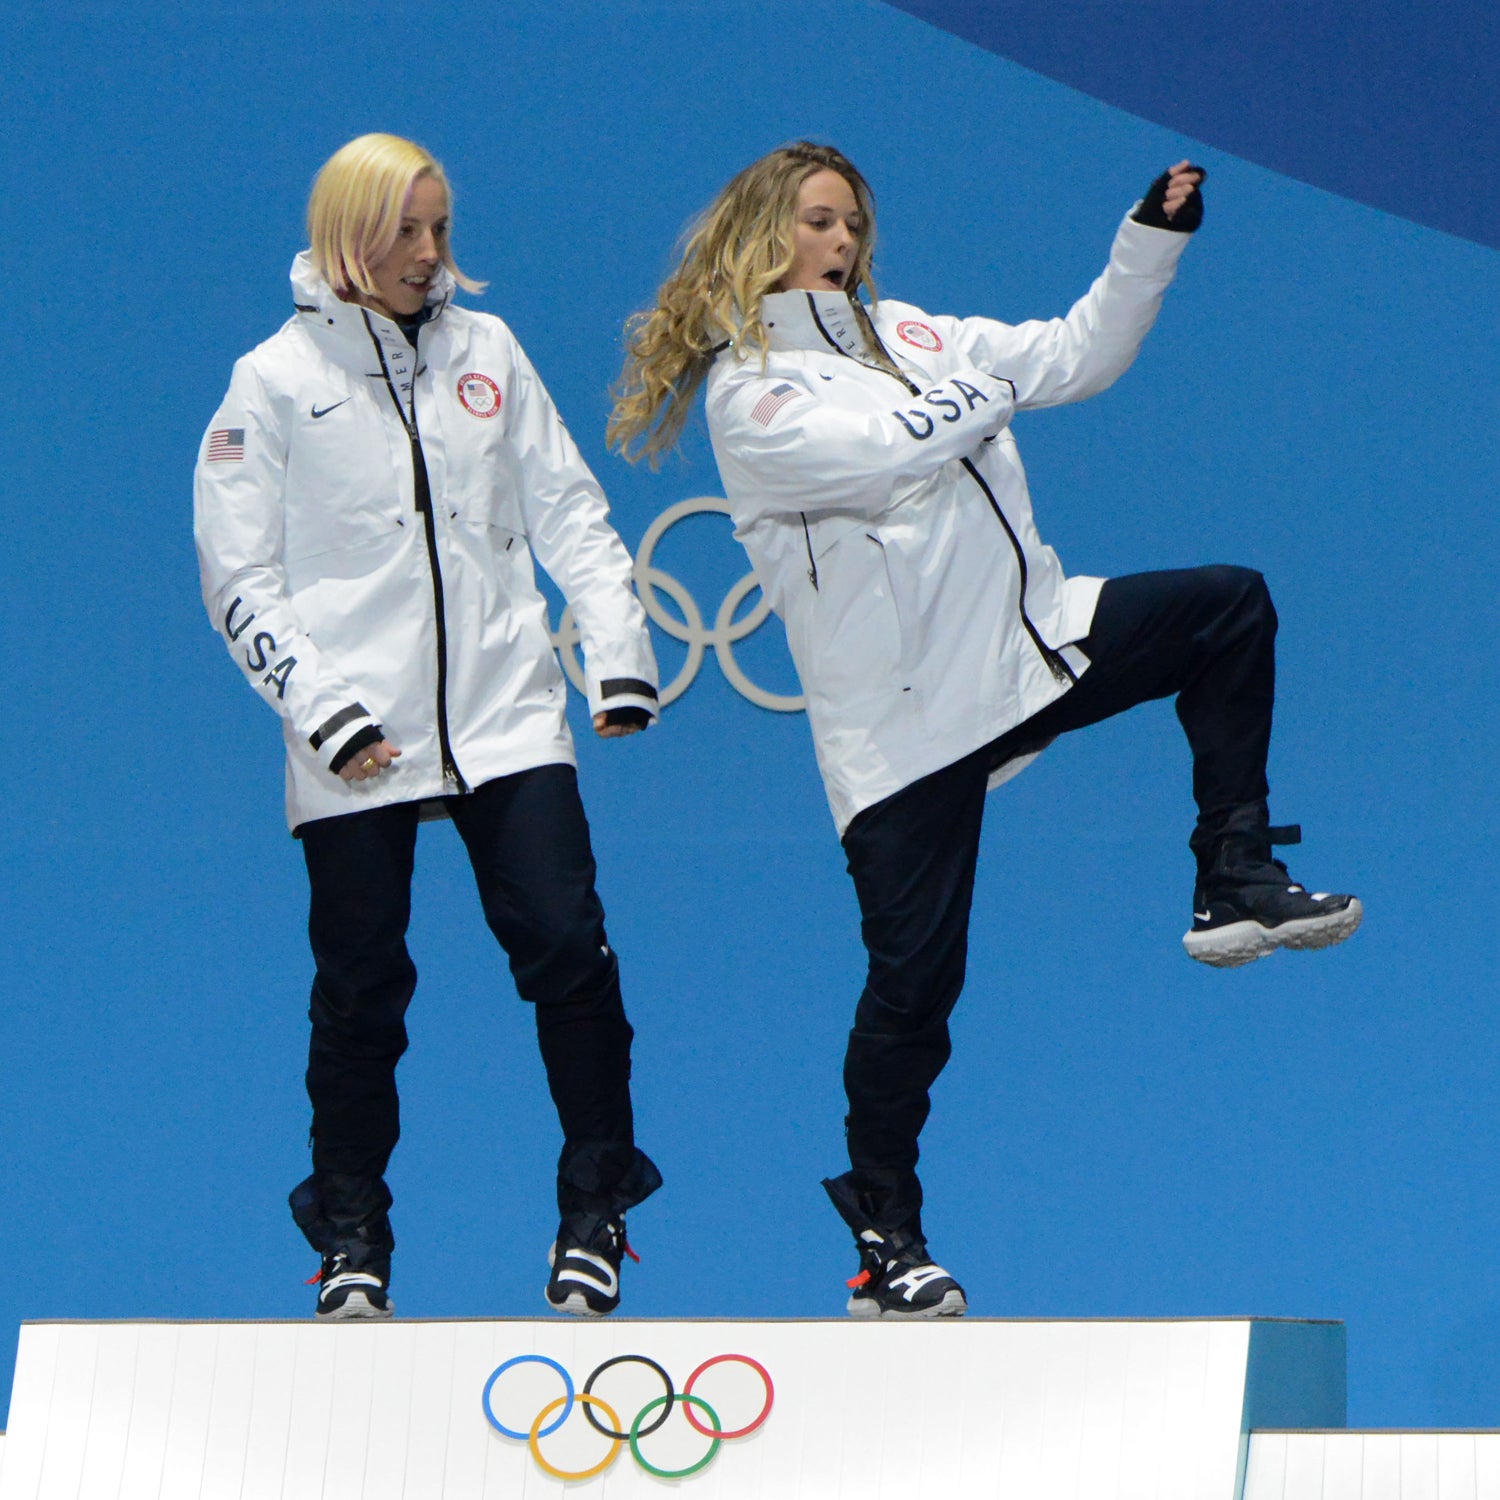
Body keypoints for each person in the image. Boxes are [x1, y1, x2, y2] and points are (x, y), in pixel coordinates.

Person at [608, 141, 1360, 1320]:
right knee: (915, 987)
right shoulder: (750, 392)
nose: (842, 244)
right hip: (902, 728)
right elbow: (878, 455)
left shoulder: (911, 332)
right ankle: (885, 1228)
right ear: (764, 234)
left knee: (1228, 605)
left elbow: (1076, 355)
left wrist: (1149, 240)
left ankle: (1234, 871)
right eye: (816, 223)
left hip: (1030, 649)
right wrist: (986, 393)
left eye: (852, 222)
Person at [194, 133, 662, 1321]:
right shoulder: (271, 380)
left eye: (442, 227)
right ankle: (352, 1236)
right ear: (349, 231)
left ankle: (594, 1210)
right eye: (408, 229)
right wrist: (326, 711)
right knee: (361, 992)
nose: (431, 253)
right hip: (357, 742)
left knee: (571, 949)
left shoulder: (487, 352)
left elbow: (570, 511)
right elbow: (237, 577)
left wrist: (616, 656)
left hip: (508, 719)